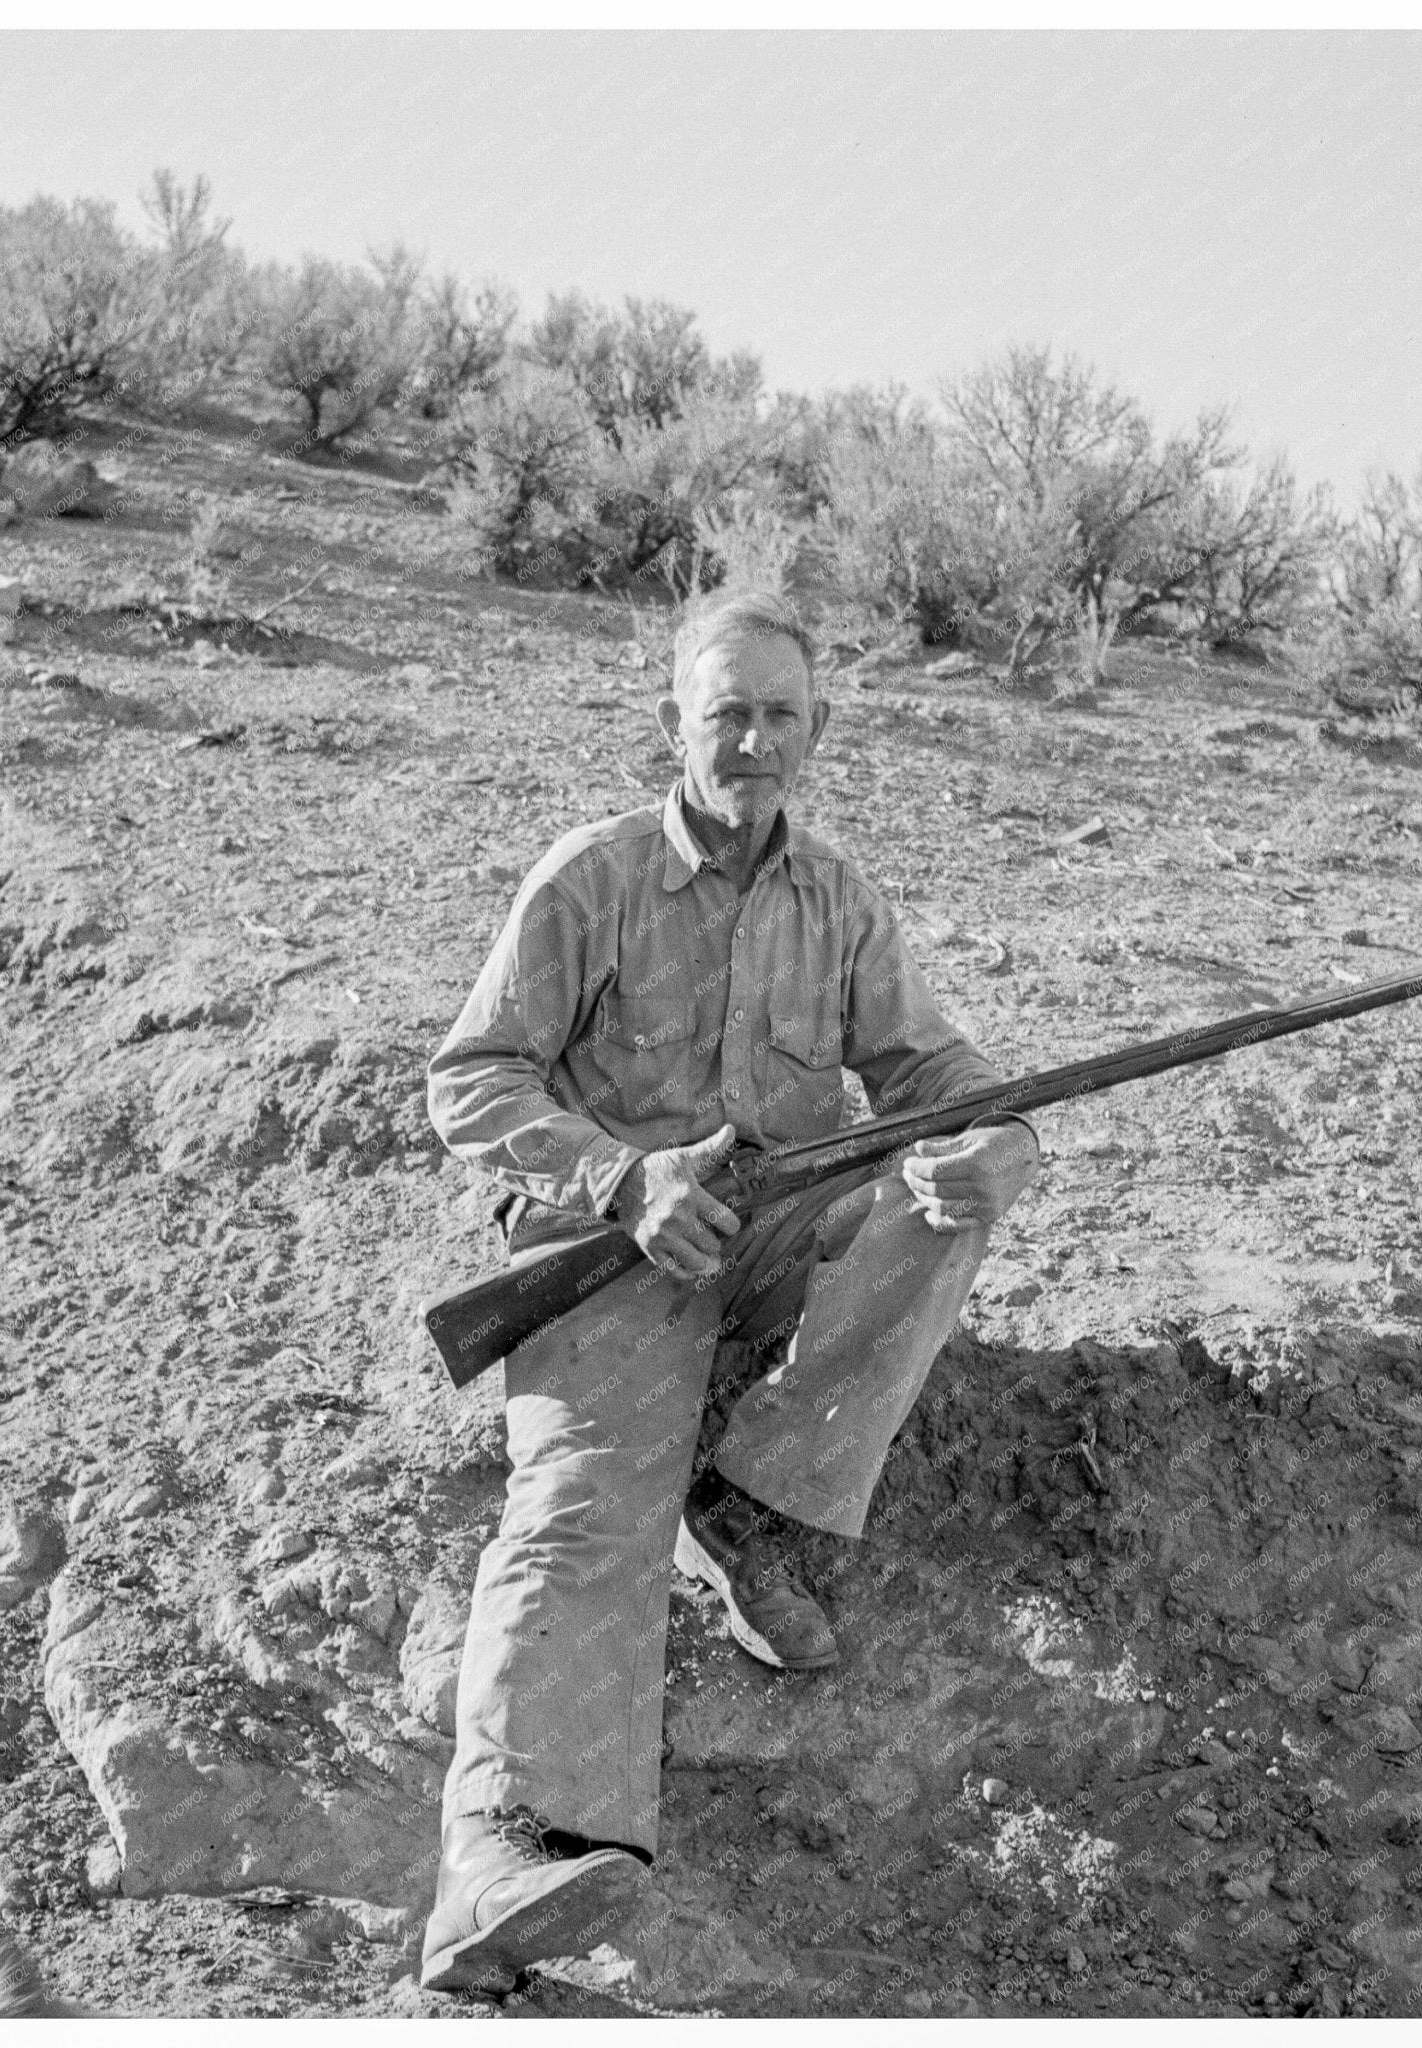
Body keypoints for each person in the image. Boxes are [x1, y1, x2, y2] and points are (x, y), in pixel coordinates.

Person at [418, 587, 1040, 1991]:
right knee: (579, 1514)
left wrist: (997, 1144)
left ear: (813, 734)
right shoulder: (592, 876)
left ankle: (756, 1495)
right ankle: (499, 1860)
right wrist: (624, 1182)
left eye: (780, 717)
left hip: (778, 1245)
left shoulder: (839, 898)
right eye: (728, 715)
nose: (753, 743)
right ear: (672, 727)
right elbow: (469, 1079)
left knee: (939, 1202)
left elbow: (938, 1077)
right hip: (623, 1258)